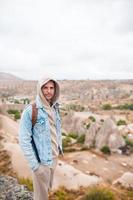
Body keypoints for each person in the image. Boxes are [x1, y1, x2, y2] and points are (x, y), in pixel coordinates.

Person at [19, 75, 63, 200]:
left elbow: (55, 132)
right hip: (41, 163)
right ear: (39, 89)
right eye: (45, 88)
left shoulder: (55, 108)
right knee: (41, 197)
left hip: (53, 160)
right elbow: (24, 140)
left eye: (51, 88)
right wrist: (35, 167)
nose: (49, 91)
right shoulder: (30, 111)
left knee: (46, 193)